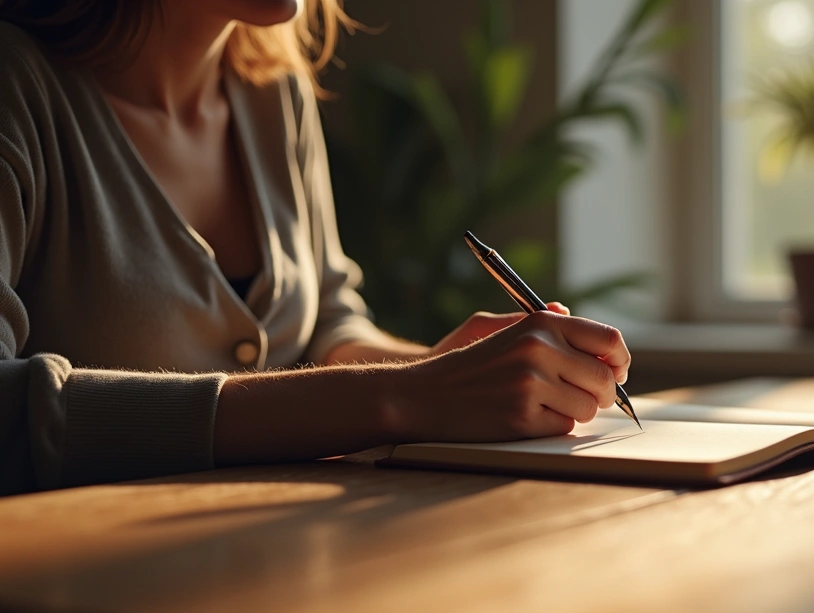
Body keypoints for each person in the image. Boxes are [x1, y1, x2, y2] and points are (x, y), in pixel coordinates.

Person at [0, 0, 631, 495]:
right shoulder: (19, 89)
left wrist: (446, 373)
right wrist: (403, 397)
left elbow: (327, 324)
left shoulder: (275, 90)